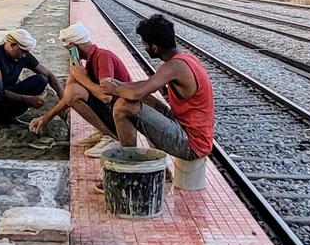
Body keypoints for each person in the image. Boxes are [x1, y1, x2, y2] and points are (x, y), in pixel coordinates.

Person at [100, 14, 214, 164]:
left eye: (145, 45)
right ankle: (159, 168)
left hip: (191, 143)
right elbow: (147, 85)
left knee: (123, 106)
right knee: (143, 99)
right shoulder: (183, 59)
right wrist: (120, 85)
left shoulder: (174, 66)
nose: (145, 48)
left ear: (154, 47)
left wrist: (114, 90)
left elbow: (137, 93)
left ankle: (128, 166)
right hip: (188, 129)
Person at [29, 21, 132, 158]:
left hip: (123, 115)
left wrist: (82, 78)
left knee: (75, 91)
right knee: (72, 90)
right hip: (111, 110)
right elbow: (68, 97)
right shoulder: (88, 62)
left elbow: (106, 96)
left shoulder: (102, 56)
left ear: (73, 46)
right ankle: (105, 132)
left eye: (68, 49)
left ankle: (111, 137)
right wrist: (46, 118)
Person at [0, 28, 62, 133]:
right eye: (23, 51)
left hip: (4, 97)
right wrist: (27, 99)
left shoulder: (23, 55)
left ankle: (9, 117)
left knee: (41, 79)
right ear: (12, 45)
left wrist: (64, 99)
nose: (24, 55)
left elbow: (48, 75)